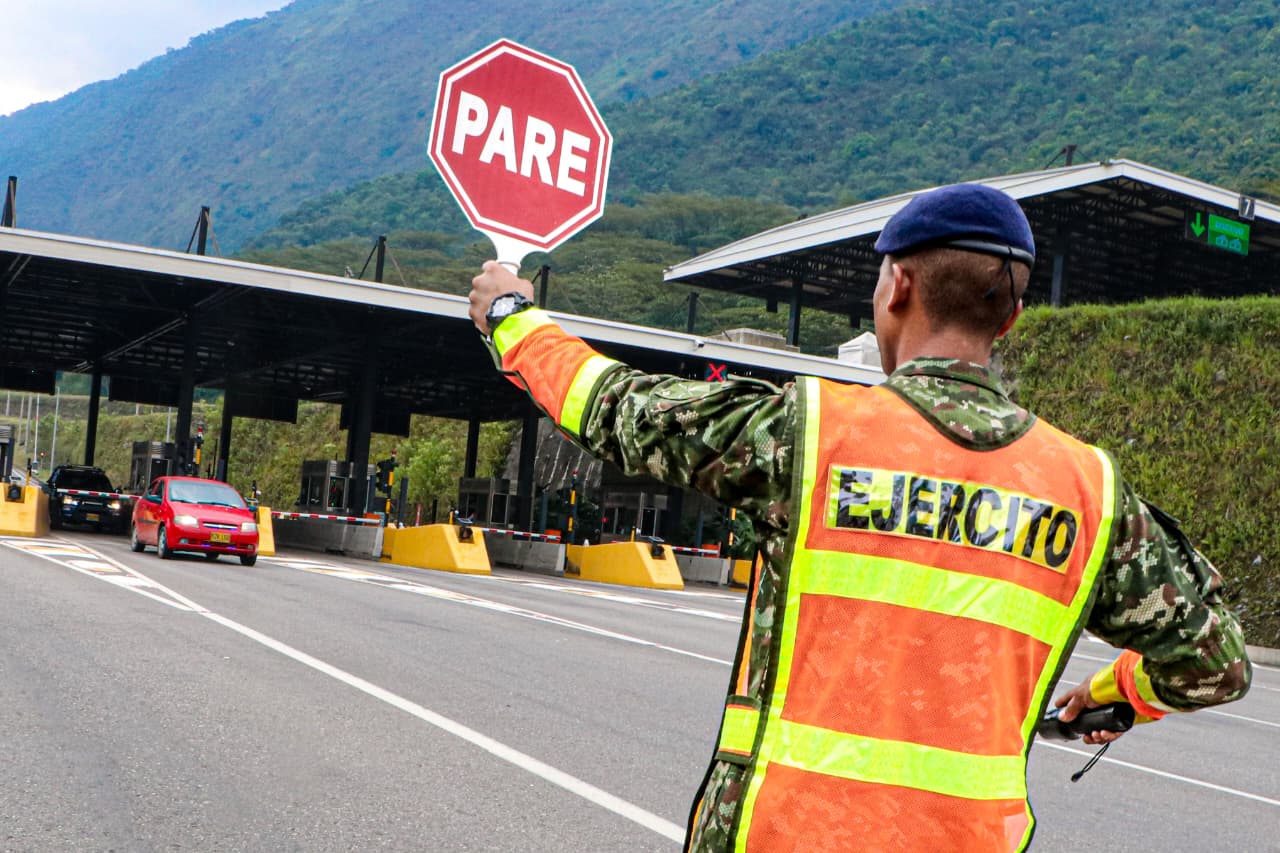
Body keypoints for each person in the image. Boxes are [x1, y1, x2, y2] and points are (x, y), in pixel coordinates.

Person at [467, 183, 1251, 852]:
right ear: (1009, 319)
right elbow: (1217, 662)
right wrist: (1118, 693)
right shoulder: (1089, 491)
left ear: (899, 288)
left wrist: (512, 315)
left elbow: (617, 407)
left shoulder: (808, 434)